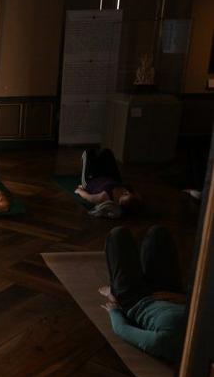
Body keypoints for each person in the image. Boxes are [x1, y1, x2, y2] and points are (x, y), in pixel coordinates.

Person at [100, 226, 186, 363]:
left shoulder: (163, 344)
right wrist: (186, 299)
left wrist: (114, 309)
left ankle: (126, 281)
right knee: (158, 233)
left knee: (118, 235)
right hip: (170, 293)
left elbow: (123, 329)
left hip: (136, 300)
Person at [74, 148, 141, 213]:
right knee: (106, 152)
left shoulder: (105, 197)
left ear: (119, 202)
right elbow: (138, 198)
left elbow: (90, 198)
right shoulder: (129, 190)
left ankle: (91, 160)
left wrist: (79, 191)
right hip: (106, 177)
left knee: (88, 152)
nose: (126, 192)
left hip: (91, 180)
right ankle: (99, 162)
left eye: (125, 195)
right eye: (128, 193)